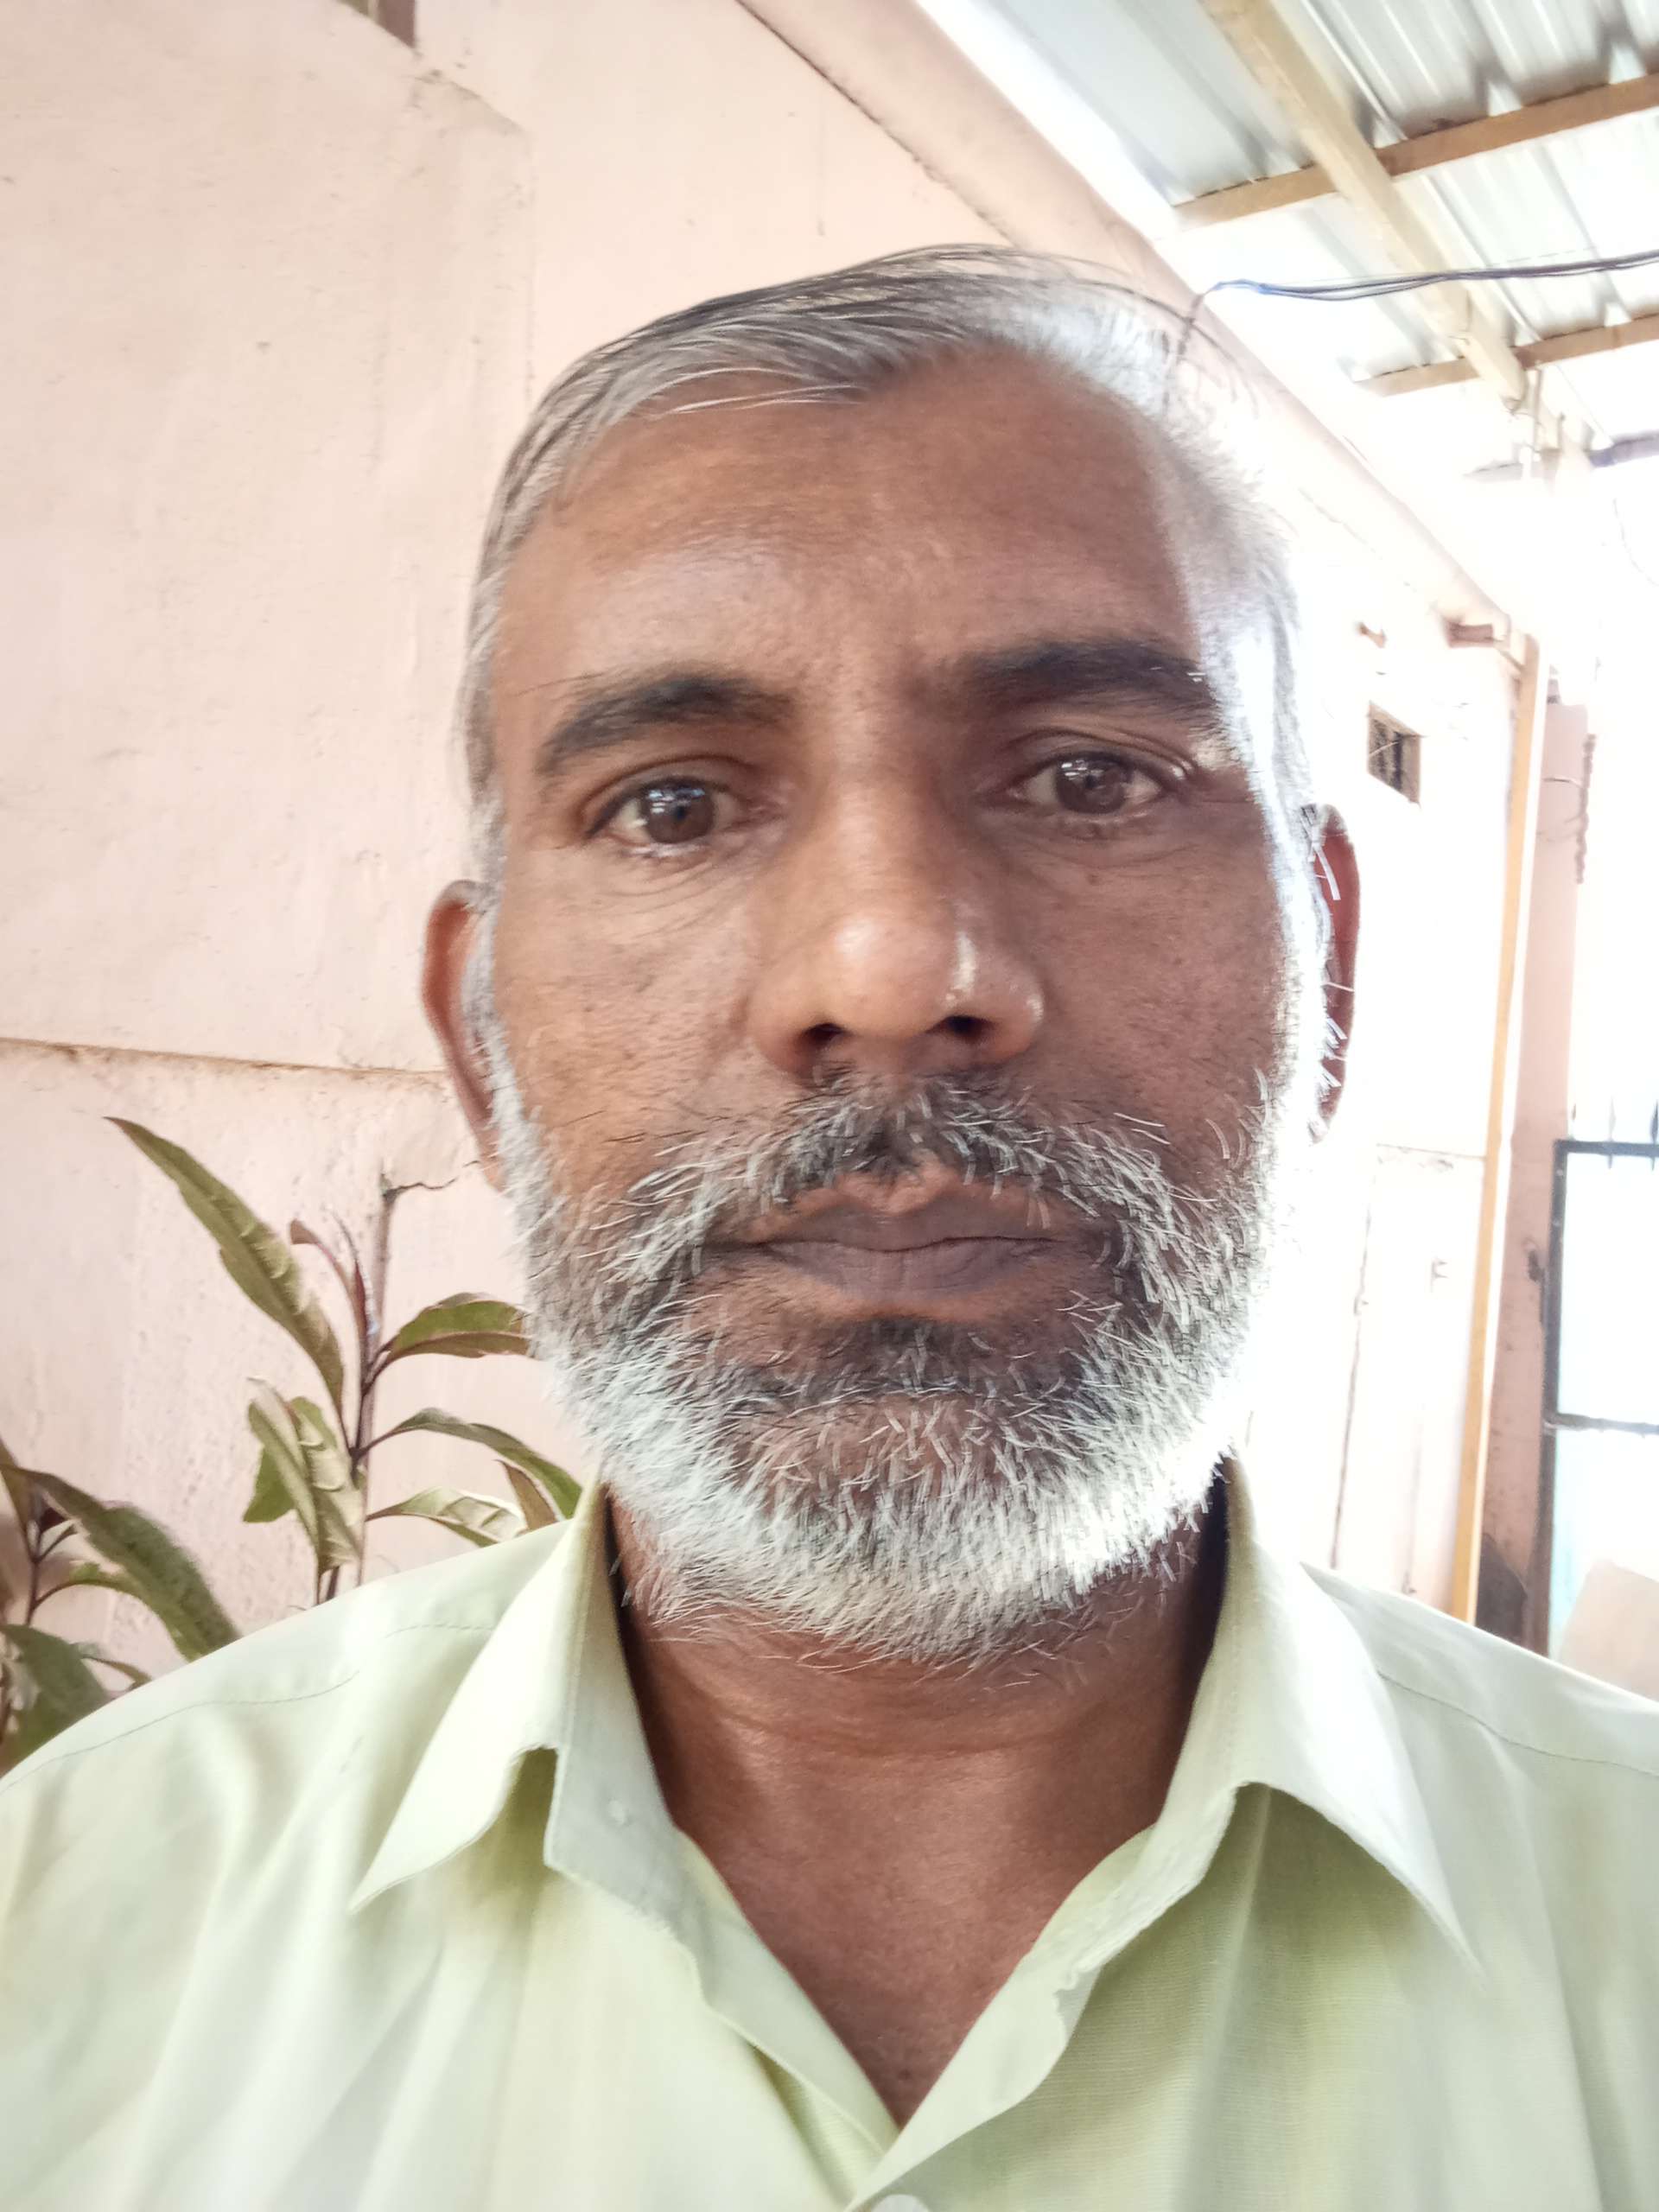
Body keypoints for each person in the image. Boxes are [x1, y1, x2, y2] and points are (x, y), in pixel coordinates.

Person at [2, 247, 1655, 2212]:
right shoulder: (70, 1941)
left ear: (1335, 979)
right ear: (479, 1042)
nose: (884, 972)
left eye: (1090, 778)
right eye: (674, 807)